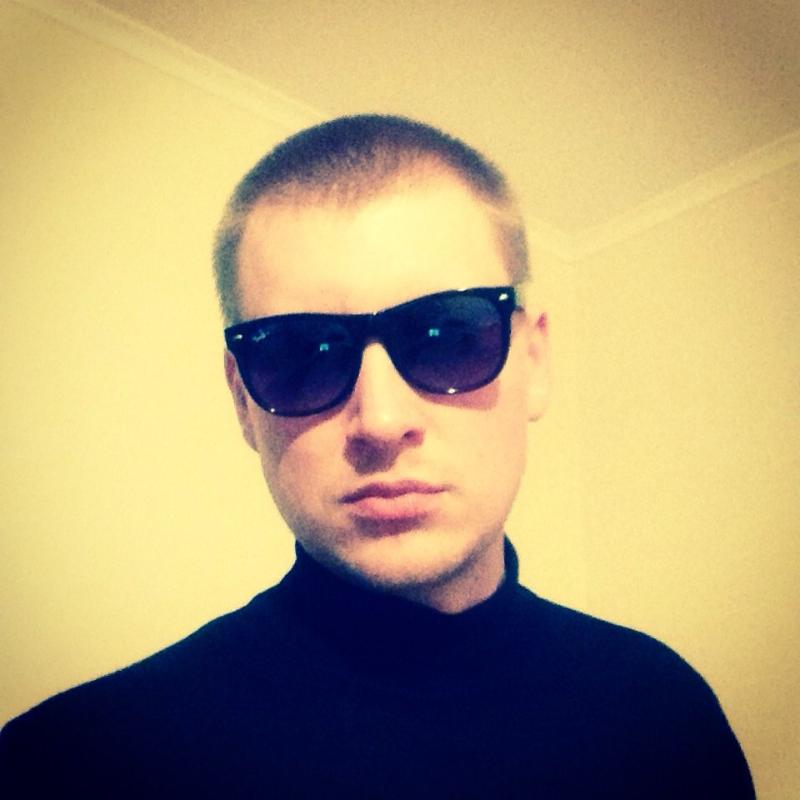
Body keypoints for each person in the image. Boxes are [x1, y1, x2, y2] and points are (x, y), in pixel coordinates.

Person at [0, 115, 754, 798]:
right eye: (299, 355)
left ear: (533, 361)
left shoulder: (665, 716)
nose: (382, 421)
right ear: (242, 400)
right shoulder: (70, 767)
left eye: (447, 336)